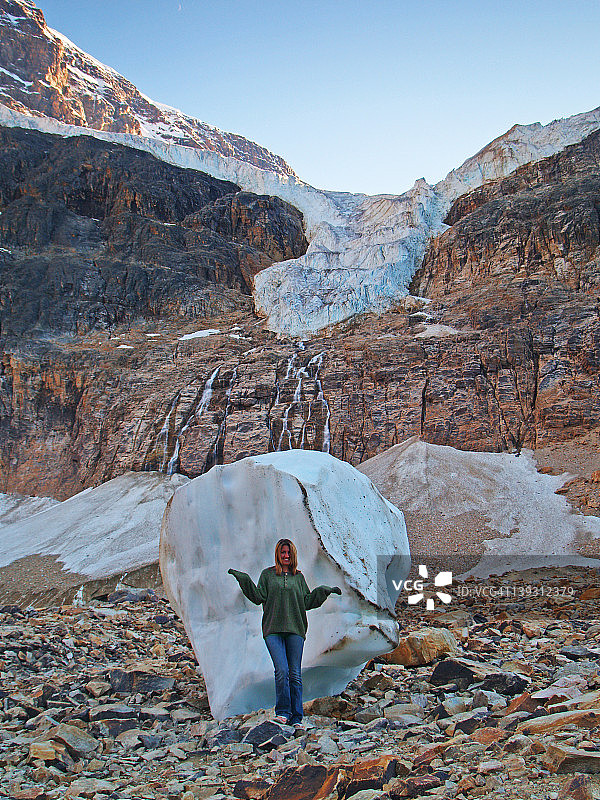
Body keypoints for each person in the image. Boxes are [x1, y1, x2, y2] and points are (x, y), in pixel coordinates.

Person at [228, 538, 341, 726]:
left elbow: (306, 601)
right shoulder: (267, 575)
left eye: (288, 553)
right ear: (278, 555)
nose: (286, 556)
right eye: (282, 552)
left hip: (295, 629)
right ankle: (282, 711)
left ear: (293, 555)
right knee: (281, 670)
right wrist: (243, 579)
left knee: (295, 673)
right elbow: (257, 597)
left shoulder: (299, 577)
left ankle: (297, 716)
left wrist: (324, 591)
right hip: (273, 630)